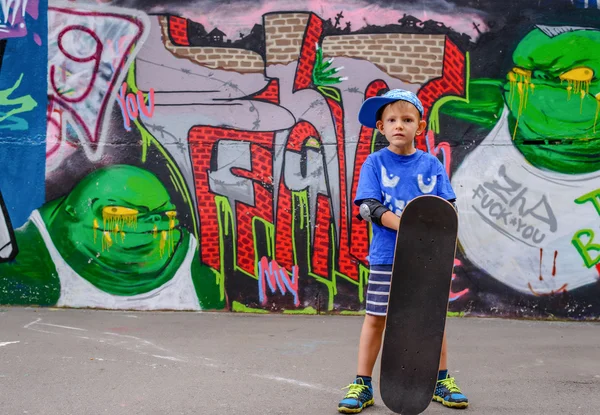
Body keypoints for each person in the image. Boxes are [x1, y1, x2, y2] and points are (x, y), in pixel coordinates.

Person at [338, 89, 469, 413]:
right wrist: (406, 224)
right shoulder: (375, 162)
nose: (400, 125)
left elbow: (446, 207)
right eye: (392, 120)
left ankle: (439, 381)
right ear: (380, 127)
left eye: (407, 120)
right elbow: (368, 206)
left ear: (419, 127)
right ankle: (362, 384)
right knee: (376, 319)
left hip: (427, 260)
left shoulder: (431, 165)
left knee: (430, 321)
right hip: (387, 257)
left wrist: (432, 231)